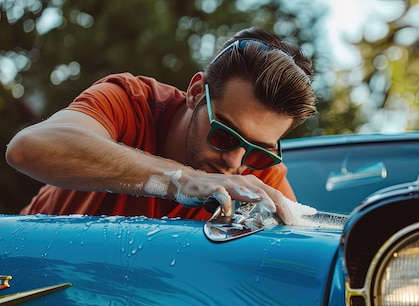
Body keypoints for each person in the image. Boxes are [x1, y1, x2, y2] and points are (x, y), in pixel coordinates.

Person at [5, 27, 317, 224]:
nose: (235, 162)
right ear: (195, 93)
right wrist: (183, 181)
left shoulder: (258, 173)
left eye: (258, 153)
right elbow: (28, 148)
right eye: (224, 134)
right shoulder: (132, 101)